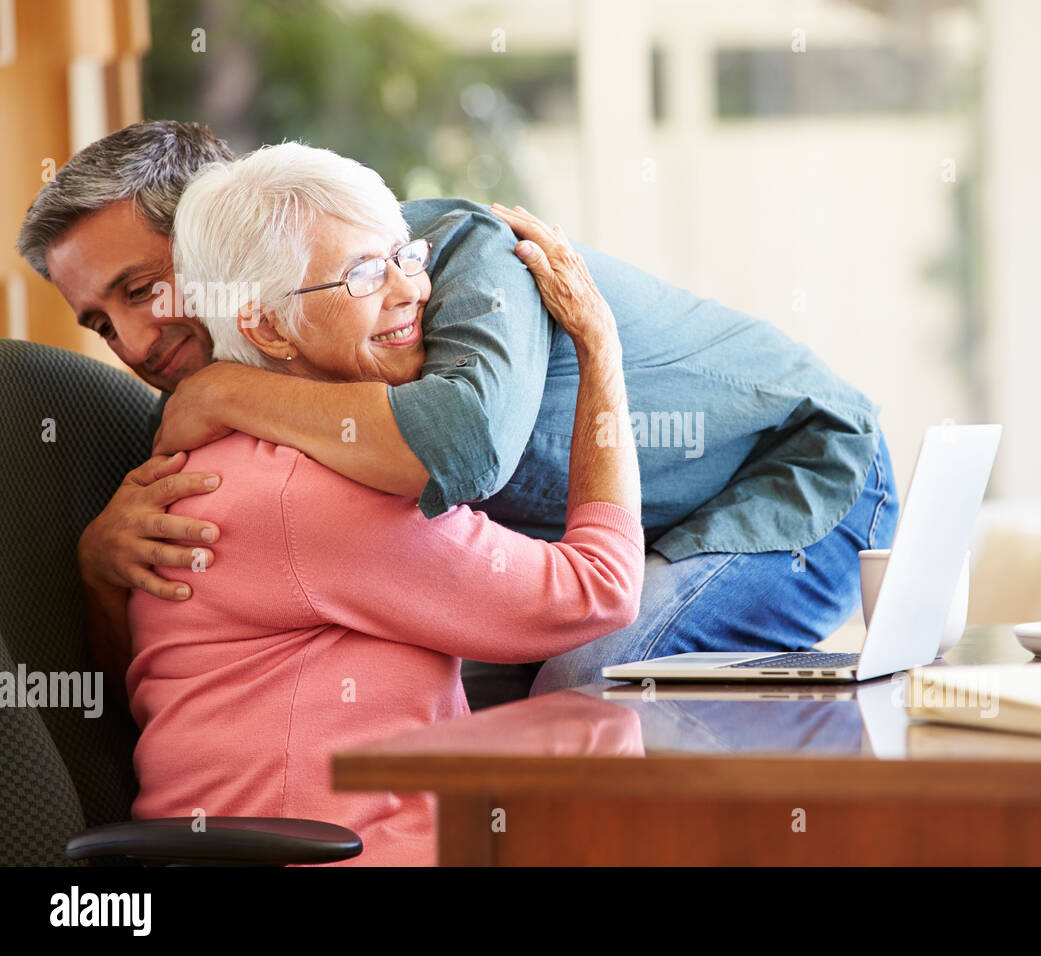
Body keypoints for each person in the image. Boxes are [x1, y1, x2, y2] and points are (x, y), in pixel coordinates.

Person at [17, 121, 899, 708]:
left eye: (144, 289)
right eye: (99, 320)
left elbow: (462, 447)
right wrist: (101, 566)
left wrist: (222, 390)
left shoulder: (448, 256)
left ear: (228, 227)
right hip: (599, 557)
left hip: (800, 478)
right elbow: (159, 678)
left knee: (588, 679)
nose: (130, 343)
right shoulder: (246, 415)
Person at [125, 143, 643, 865]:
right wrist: (601, 348)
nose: (412, 291)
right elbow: (599, 591)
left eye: (406, 256)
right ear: (267, 328)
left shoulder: (249, 460)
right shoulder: (308, 494)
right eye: (363, 274)